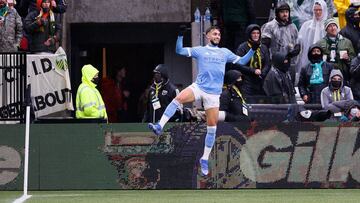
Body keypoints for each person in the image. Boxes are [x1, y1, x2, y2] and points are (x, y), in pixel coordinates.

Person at [148, 25, 257, 176]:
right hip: (199, 87)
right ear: (207, 36)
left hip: (213, 95)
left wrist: (253, 49)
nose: (218, 36)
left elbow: (243, 61)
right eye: (215, 34)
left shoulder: (224, 52)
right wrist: (180, 35)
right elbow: (179, 50)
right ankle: (159, 126)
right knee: (178, 98)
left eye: (219, 34)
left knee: (212, 127)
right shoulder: (200, 50)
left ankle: (204, 159)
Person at [261, 1, 300, 83]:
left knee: (289, 85)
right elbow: (264, 46)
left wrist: (295, 51)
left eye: (287, 12)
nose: (285, 14)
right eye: (282, 12)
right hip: (274, 63)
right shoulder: (270, 26)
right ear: (277, 13)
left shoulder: (292, 27)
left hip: (289, 62)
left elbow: (297, 43)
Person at [235, 24, 271, 103]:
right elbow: (238, 64)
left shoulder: (263, 47)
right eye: (253, 33)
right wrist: (253, 71)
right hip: (247, 80)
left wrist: (263, 72)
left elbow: (268, 63)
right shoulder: (242, 47)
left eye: (258, 33)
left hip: (261, 80)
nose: (256, 35)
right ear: (249, 34)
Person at [316, 18, 356, 84]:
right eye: (330, 26)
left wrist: (348, 58)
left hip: (343, 73)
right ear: (326, 29)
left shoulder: (346, 42)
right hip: (326, 74)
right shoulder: (320, 43)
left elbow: (353, 60)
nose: (333, 28)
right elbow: (315, 59)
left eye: (334, 25)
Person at [297, 0, 328, 73]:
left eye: (320, 10)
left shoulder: (329, 25)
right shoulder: (306, 25)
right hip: (308, 58)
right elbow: (300, 41)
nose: (317, 12)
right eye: (315, 10)